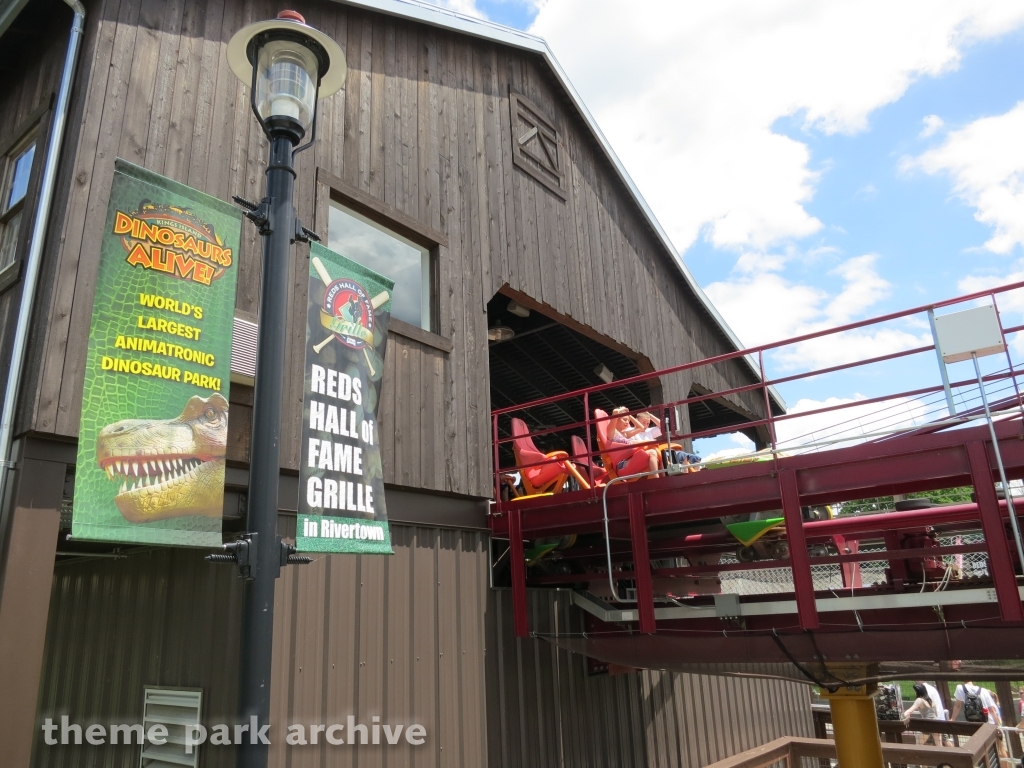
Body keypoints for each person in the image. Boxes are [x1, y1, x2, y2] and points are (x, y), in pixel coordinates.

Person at [608, 407, 659, 474]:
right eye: (625, 420)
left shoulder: (625, 434)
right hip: (621, 463)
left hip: (629, 458)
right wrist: (622, 410)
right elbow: (615, 412)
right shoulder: (611, 432)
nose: (627, 422)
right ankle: (657, 478)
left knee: (657, 452)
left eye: (628, 420)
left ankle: (664, 476)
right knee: (652, 452)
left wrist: (629, 415)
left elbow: (640, 427)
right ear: (617, 419)